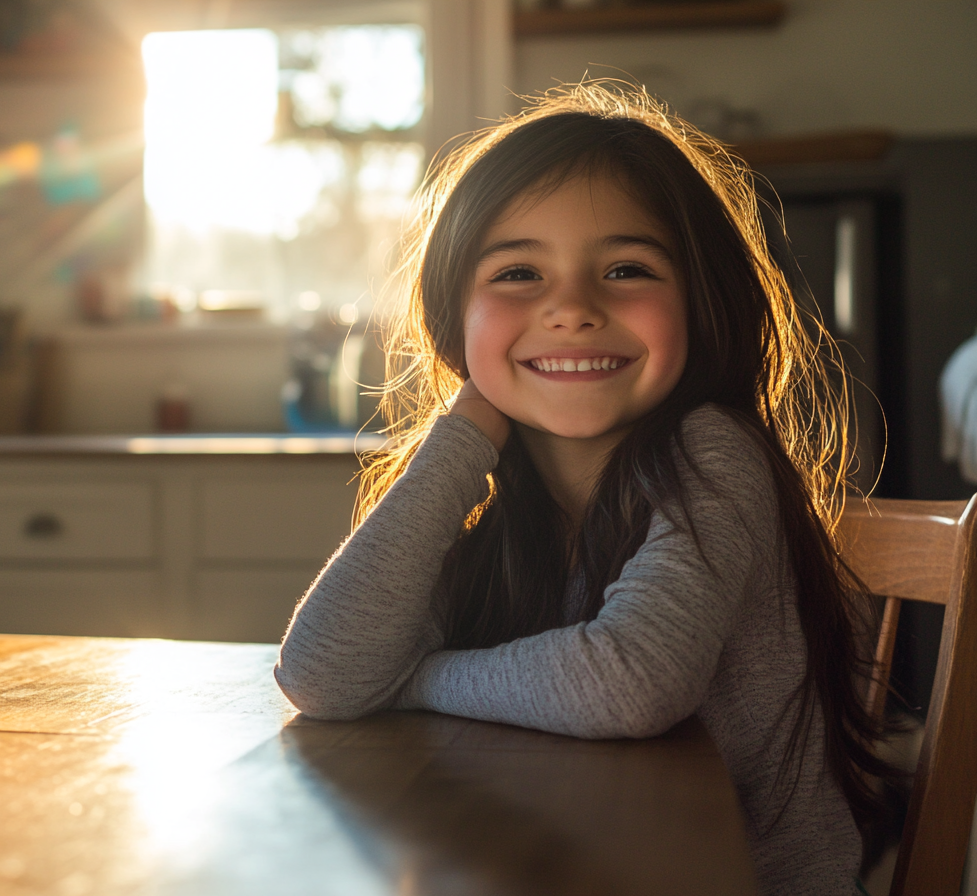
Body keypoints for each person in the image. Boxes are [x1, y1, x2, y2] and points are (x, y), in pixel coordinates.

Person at [274, 82, 891, 895]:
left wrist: (417, 676)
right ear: (453, 318)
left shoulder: (716, 455)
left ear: (702, 299)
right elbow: (322, 674)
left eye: (626, 269)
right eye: (519, 272)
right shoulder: (504, 505)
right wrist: (461, 436)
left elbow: (631, 681)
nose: (571, 307)